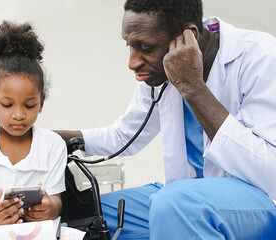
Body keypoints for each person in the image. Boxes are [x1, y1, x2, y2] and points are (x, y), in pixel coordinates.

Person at [56, 0, 276, 239]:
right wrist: (52, 139)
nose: (132, 62)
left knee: (175, 203)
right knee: (84, 215)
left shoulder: (260, 56)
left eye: (146, 48)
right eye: (129, 46)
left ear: (187, 37)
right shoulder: (159, 73)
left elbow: (269, 173)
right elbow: (124, 135)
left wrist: (192, 87)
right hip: (183, 200)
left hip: (261, 202)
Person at [0, 20, 67, 227]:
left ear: (41, 102)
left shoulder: (54, 145)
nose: (18, 115)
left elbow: (56, 200)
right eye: (7, 105)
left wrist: (49, 208)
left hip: (33, 228)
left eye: (29, 105)